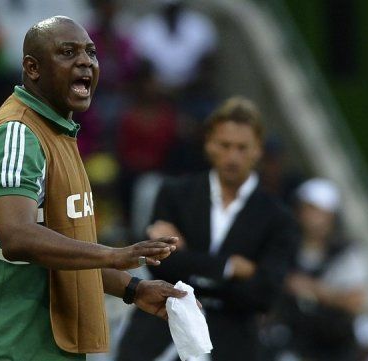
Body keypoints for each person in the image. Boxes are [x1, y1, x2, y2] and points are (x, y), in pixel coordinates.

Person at [0, 16, 186, 361]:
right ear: (32, 67)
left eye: (91, 52)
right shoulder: (17, 133)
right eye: (67, 52)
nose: (85, 61)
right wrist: (113, 254)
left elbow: (62, 248)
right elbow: (17, 236)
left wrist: (134, 289)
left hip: (26, 342)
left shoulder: (57, 133)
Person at [116, 96, 299, 361]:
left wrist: (189, 262)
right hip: (155, 334)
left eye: (242, 147)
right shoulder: (175, 194)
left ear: (258, 149)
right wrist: (230, 268)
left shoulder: (279, 217)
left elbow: (265, 292)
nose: (233, 156)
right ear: (209, 143)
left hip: (231, 344)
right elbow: (159, 263)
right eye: (225, 145)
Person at [268, 178, 368, 361]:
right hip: (290, 337)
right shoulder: (286, 244)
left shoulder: (347, 254)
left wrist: (312, 289)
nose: (309, 216)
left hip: (331, 344)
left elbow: (355, 302)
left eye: (316, 211)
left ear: (331, 217)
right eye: (306, 208)